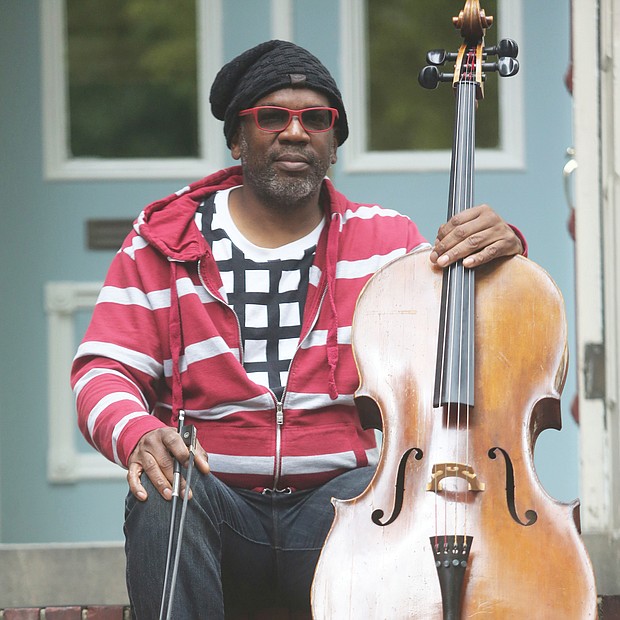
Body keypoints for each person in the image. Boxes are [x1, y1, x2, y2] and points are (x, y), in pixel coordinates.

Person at [71, 40, 525, 619]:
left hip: (337, 512)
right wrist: (136, 432)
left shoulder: (385, 243)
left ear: (333, 144)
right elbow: (102, 369)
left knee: (390, 492)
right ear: (238, 138)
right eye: (271, 117)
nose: (294, 132)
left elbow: (479, 337)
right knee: (168, 492)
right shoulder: (163, 242)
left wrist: (501, 255)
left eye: (315, 119)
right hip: (216, 507)